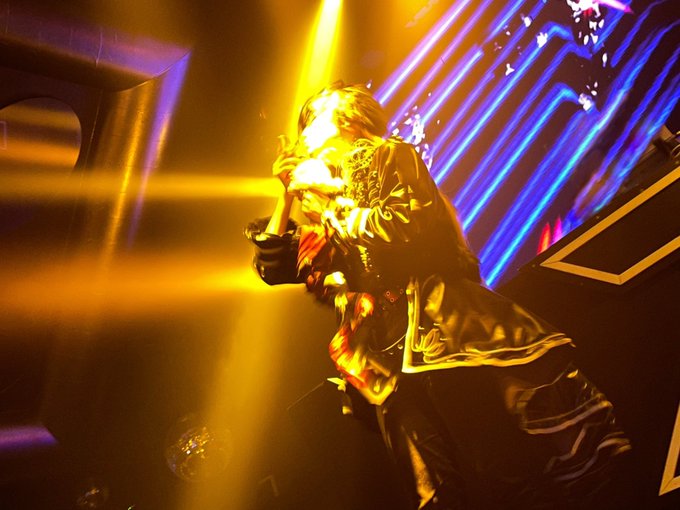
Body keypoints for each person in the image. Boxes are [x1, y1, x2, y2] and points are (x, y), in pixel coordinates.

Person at [245, 82, 630, 509]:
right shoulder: (322, 208)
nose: (304, 131)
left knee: (492, 462)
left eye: (313, 117)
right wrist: (287, 194)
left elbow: (403, 225)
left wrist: (335, 198)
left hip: (439, 332)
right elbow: (275, 267)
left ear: (349, 118)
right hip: (383, 359)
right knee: (430, 489)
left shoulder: (391, 155)